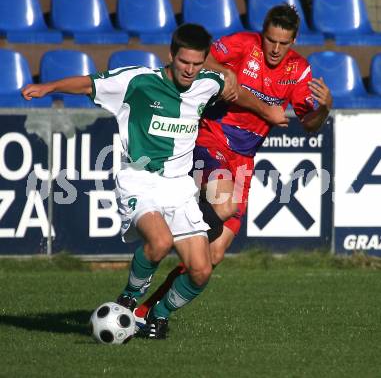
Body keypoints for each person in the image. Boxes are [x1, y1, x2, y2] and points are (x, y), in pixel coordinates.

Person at [21, 23, 282, 340]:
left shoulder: (208, 82)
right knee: (159, 242)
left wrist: (254, 98)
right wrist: (48, 88)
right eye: (184, 62)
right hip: (140, 180)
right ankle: (129, 296)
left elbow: (234, 91)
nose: (189, 70)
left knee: (201, 270)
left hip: (180, 187)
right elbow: (88, 84)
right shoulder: (137, 81)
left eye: (197, 64)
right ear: (171, 55)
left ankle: (157, 317)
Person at [133, 4, 333, 325]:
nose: (275, 49)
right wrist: (226, 73)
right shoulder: (242, 44)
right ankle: (167, 232)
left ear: (293, 41)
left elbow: (309, 123)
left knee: (213, 256)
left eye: (283, 43)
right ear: (263, 34)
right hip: (212, 136)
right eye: (270, 40)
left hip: (245, 156)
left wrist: (323, 109)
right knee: (222, 205)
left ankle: (150, 314)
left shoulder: (299, 70)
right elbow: (205, 57)